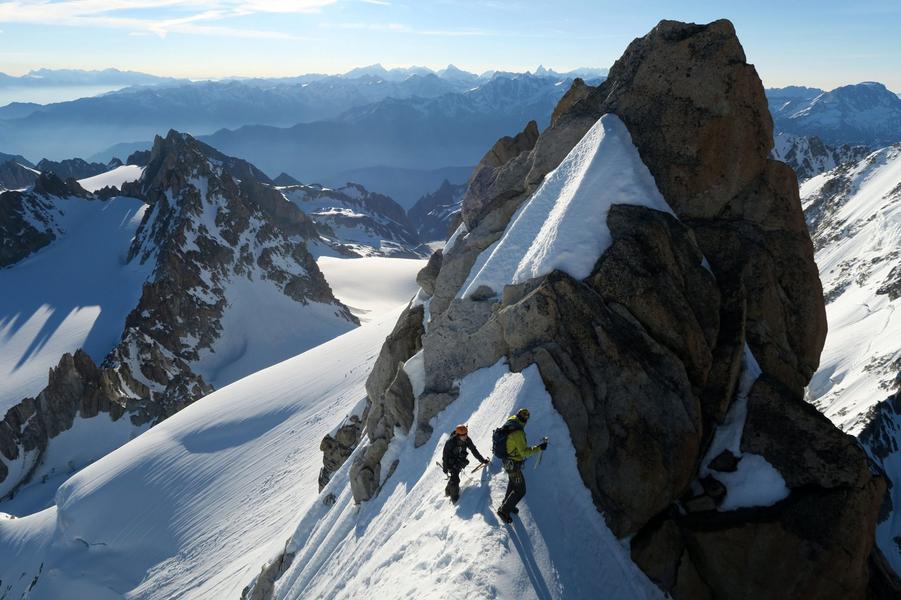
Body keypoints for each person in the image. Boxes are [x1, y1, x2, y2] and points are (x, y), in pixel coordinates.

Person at [496, 408, 548, 523]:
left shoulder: (511, 422)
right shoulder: (518, 432)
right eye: (526, 417)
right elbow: (524, 452)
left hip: (507, 461)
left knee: (513, 482)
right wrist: (539, 448)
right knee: (520, 490)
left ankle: (507, 504)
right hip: (513, 464)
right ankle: (504, 511)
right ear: (525, 419)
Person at [442, 424, 489, 503]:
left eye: (466, 434)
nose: (465, 436)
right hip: (451, 461)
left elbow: (474, 450)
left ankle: (448, 491)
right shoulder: (450, 442)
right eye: (462, 435)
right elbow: (445, 455)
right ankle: (454, 498)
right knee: (455, 479)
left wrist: (482, 460)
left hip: (460, 459)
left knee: (454, 476)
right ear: (458, 435)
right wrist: (445, 467)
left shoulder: (467, 440)